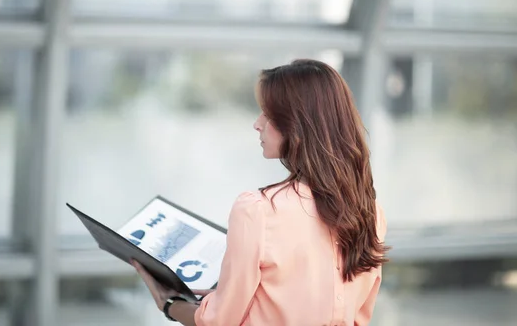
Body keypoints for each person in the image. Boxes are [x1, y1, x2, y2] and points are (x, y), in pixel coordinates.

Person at [132, 59, 389, 325]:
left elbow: (219, 322)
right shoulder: (371, 213)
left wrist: (169, 303)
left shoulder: (258, 210)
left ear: (297, 125)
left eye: (268, 114)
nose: (257, 124)